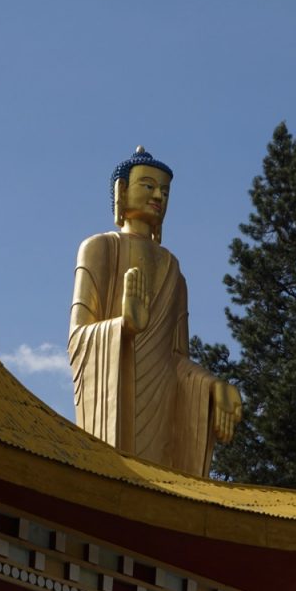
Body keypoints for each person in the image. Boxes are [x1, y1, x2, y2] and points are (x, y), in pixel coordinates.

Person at [67, 147, 241, 476]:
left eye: (165, 190)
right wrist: (123, 326)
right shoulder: (99, 248)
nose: (158, 195)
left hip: (164, 412)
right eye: (148, 185)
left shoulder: (174, 270)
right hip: (116, 403)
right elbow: (78, 338)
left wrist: (212, 385)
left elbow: (177, 359)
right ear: (121, 190)